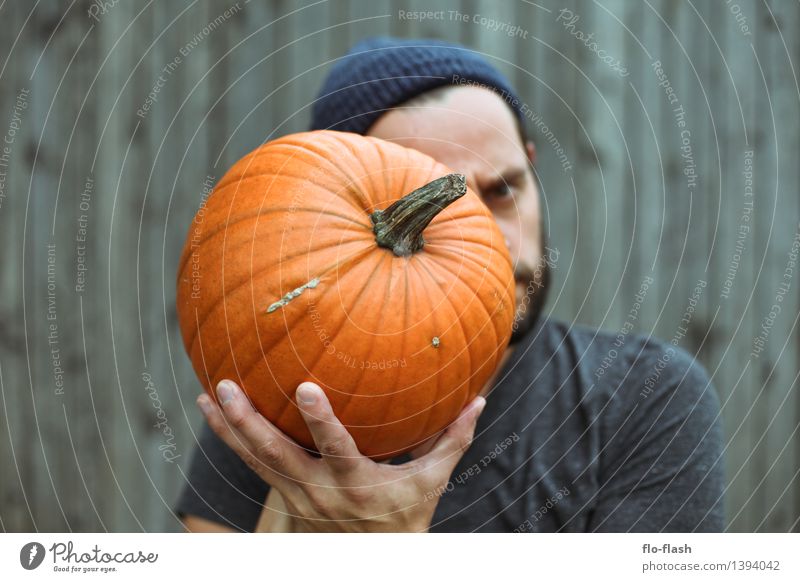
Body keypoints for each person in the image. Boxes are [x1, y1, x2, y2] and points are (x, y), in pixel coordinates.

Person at [175, 37, 724, 533]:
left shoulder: (647, 401)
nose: (487, 242)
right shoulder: (281, 397)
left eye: (503, 189)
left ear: (532, 171)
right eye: (436, 203)